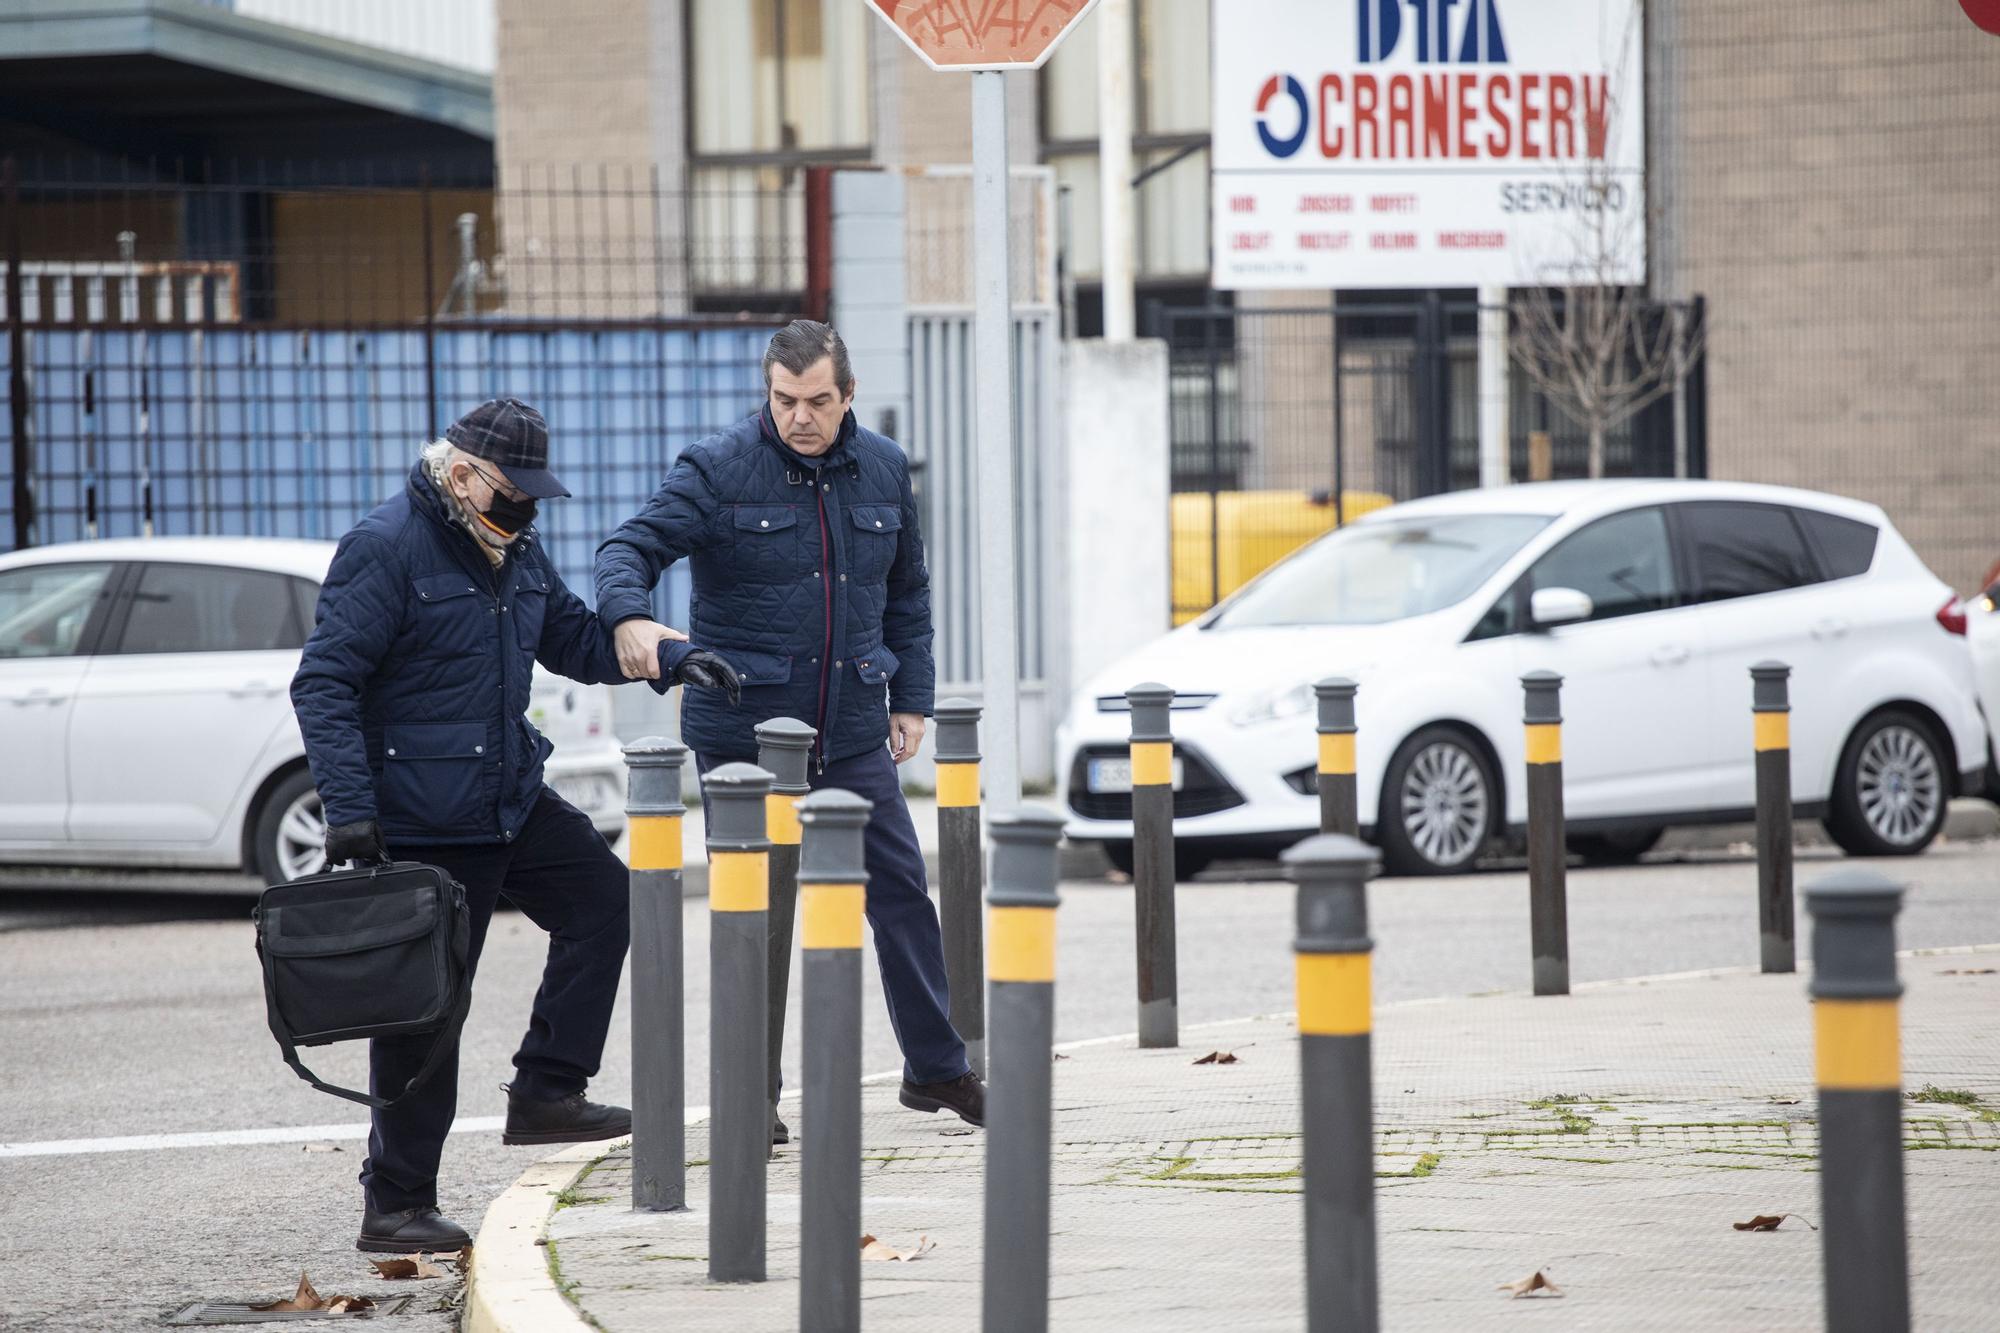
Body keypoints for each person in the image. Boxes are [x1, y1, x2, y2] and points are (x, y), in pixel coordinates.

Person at [290, 398, 735, 1254]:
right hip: (422, 819)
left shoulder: (513, 550)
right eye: (511, 491)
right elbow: (324, 684)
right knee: (428, 1014)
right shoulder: (385, 548)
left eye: (533, 494)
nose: (524, 507)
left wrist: (670, 655)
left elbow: (573, 637)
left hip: (508, 798)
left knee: (610, 901)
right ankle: (395, 1202)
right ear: (460, 475)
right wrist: (349, 812)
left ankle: (546, 1090)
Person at [595, 320, 985, 1135]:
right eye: (783, 399)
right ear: (767, 391)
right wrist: (631, 616)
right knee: (758, 916)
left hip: (848, 728)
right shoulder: (718, 466)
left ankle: (937, 1069)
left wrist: (910, 697)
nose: (798, 416)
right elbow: (627, 548)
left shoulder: (881, 467)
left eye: (816, 400)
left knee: (905, 896)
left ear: (847, 396)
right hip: (746, 736)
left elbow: (907, 596)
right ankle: (752, 1095)